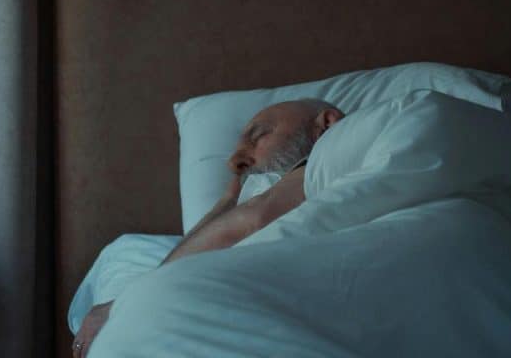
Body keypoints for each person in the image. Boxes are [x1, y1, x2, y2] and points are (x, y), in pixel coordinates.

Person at [72, 99, 345, 357]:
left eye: (258, 136)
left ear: (326, 124)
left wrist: (120, 304)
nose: (232, 161)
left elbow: (252, 220)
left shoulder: (328, 158)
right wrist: (229, 199)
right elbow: (239, 219)